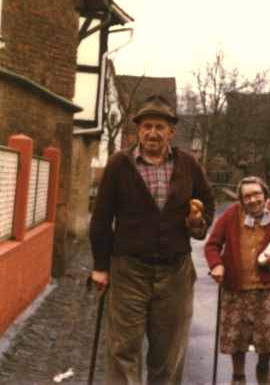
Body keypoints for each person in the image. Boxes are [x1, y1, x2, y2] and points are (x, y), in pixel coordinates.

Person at [89, 94, 215, 385]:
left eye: (160, 127)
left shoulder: (188, 164)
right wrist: (100, 266)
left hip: (175, 272)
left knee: (168, 354)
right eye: (147, 126)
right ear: (138, 130)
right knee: (123, 349)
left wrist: (197, 223)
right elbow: (101, 218)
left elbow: (207, 204)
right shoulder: (119, 164)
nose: (153, 133)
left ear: (171, 132)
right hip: (128, 270)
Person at [205, 176, 270, 385]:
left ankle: (263, 369)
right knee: (236, 337)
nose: (253, 200)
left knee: (267, 338)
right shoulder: (232, 215)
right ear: (240, 200)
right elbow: (212, 245)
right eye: (247, 196)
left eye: (257, 194)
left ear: (265, 194)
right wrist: (216, 265)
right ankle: (238, 375)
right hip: (236, 288)